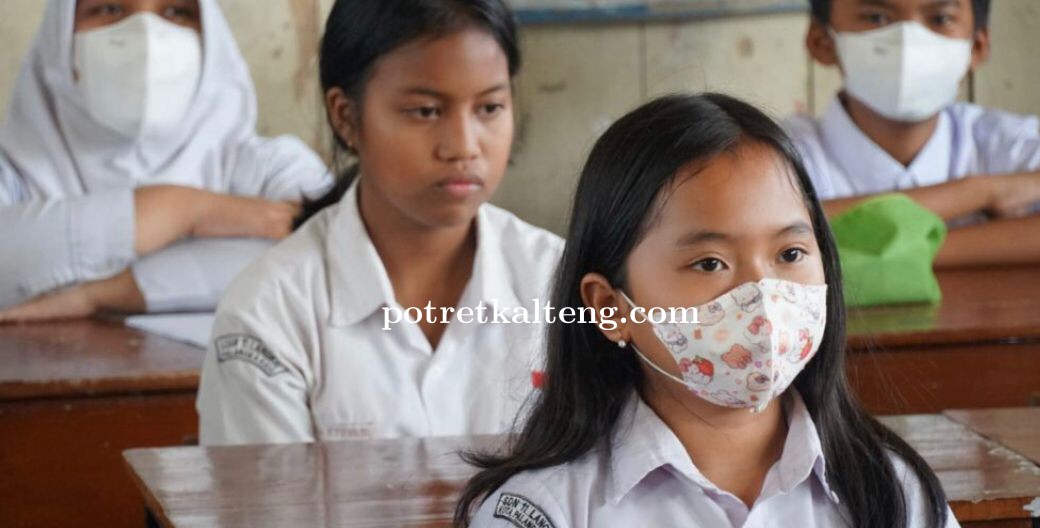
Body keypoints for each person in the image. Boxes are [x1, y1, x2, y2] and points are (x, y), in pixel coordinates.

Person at [457, 93, 956, 528]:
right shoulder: (547, 510)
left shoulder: (892, 490)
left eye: (789, 254)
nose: (762, 295)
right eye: (710, 263)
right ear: (610, 308)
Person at [196, 0, 563, 445]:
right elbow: (269, 489)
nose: (464, 147)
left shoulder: (558, 281)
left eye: (489, 108)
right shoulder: (269, 313)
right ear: (346, 117)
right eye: (426, 111)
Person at [0, 0, 330, 322]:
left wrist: (103, 292)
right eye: (110, 9)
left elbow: (325, 257)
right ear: (59, 37)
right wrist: (185, 210)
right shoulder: (13, 169)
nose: (146, 34)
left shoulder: (272, 167)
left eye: (176, 12)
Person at [785, 0, 1040, 268]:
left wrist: (882, 255)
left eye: (940, 19)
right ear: (823, 42)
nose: (908, 42)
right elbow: (770, 232)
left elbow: (798, 236)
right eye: (876, 17)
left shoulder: (1013, 142)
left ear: (976, 46)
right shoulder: (780, 155)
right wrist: (981, 192)